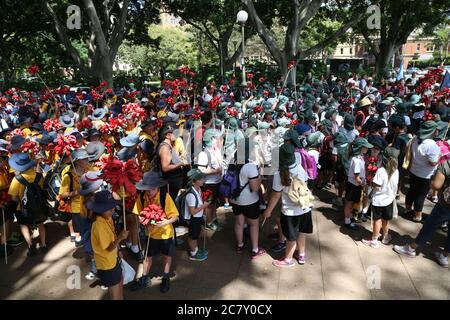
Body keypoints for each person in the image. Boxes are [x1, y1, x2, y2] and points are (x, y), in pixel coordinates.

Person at [394, 156, 450, 268]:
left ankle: (411, 248)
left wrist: (433, 182)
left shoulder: (447, 164)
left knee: (430, 225)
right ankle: (444, 256)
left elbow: (436, 185)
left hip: (446, 204)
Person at [264, 143, 313, 267]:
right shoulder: (300, 168)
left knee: (291, 237)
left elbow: (275, 196)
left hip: (290, 212)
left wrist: (268, 211)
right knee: (301, 233)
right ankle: (301, 255)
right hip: (305, 208)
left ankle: (288, 260)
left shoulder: (279, 174)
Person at [131, 171, 179, 293]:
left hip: (165, 233)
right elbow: (137, 214)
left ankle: (166, 277)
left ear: (157, 187)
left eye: (151, 189)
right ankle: (144, 276)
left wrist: (165, 222)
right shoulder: (142, 196)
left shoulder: (165, 197)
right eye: (147, 189)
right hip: (150, 233)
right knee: (147, 257)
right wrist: (144, 223)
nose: (149, 192)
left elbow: (175, 216)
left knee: (167, 256)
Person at [88, 190, 129, 300]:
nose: (112, 210)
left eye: (113, 207)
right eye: (109, 208)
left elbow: (113, 236)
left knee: (119, 284)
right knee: (115, 293)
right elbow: (109, 247)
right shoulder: (98, 225)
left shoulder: (108, 217)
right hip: (106, 264)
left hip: (113, 259)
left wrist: (119, 250)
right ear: (99, 210)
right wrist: (120, 238)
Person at [230, 138, 265, 259]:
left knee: (239, 222)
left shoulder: (232, 160)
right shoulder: (249, 166)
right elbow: (255, 188)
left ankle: (240, 245)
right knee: (254, 224)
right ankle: (255, 249)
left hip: (234, 199)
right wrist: (260, 175)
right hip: (250, 200)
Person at [8, 153, 47, 256]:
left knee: (23, 225)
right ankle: (43, 244)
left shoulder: (16, 180)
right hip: (39, 206)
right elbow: (42, 188)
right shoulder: (38, 176)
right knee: (41, 224)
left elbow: (13, 197)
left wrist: (22, 202)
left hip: (22, 208)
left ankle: (30, 245)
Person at [361, 147, 399, 248]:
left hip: (378, 200)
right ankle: (385, 237)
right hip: (389, 200)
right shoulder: (396, 171)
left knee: (377, 220)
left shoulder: (381, 171)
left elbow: (376, 186)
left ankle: (374, 240)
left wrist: (372, 183)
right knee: (385, 220)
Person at [405, 121, 440, 222]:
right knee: (420, 196)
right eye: (436, 129)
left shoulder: (415, 138)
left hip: (413, 170)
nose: (438, 131)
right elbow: (433, 163)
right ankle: (417, 216)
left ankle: (407, 210)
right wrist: (439, 157)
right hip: (425, 175)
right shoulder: (432, 145)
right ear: (432, 131)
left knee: (411, 191)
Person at [57, 149, 91, 246]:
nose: (87, 160)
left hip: (90, 204)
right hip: (77, 208)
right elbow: (62, 194)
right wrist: (76, 192)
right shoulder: (68, 176)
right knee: (81, 229)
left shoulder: (89, 169)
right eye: (84, 159)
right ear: (77, 161)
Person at [343, 137, 373, 230]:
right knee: (349, 203)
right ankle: (347, 221)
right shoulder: (356, 160)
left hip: (356, 185)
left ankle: (350, 218)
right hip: (354, 185)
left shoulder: (360, 157)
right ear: (360, 147)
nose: (367, 149)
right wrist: (363, 185)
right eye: (365, 147)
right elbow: (356, 177)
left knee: (352, 203)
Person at [196, 129, 223, 231]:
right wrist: (215, 171)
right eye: (216, 138)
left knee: (214, 203)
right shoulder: (204, 153)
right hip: (209, 183)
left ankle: (214, 219)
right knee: (209, 204)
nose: (218, 140)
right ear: (211, 139)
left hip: (217, 182)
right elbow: (201, 170)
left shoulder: (216, 150)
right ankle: (208, 222)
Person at [184, 169, 209, 261]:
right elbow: (192, 212)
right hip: (193, 219)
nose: (203, 180)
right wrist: (204, 206)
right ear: (194, 182)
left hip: (198, 217)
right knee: (192, 236)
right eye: (200, 179)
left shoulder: (199, 190)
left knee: (196, 235)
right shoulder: (190, 195)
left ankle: (196, 249)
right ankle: (193, 253)